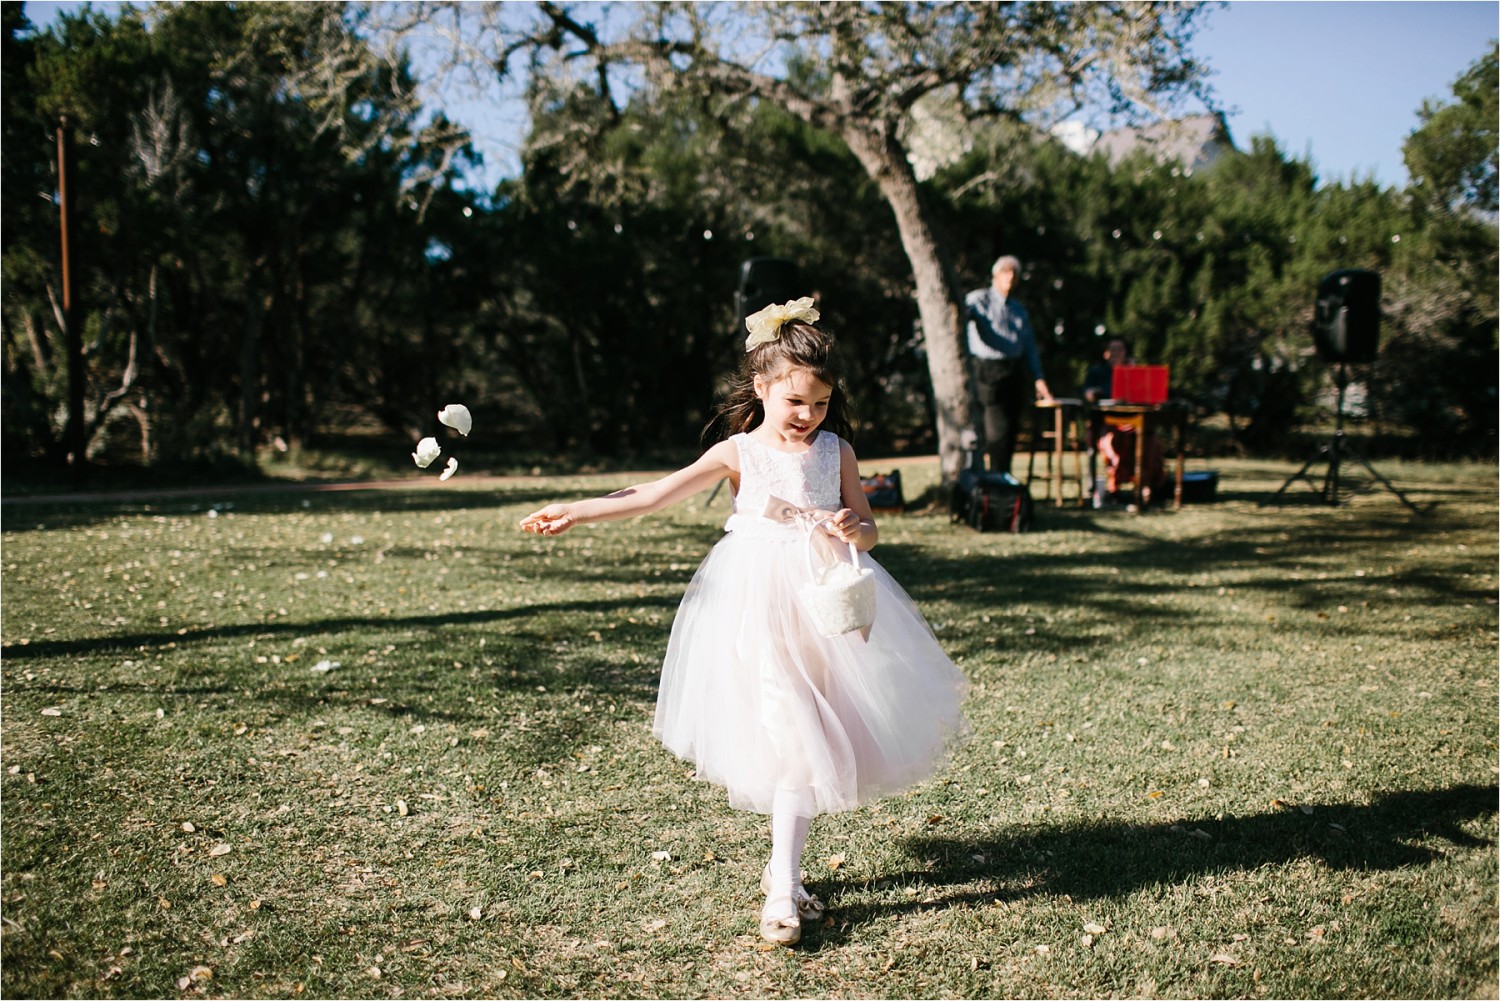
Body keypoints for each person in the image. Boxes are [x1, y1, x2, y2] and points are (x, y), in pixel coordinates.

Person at [519, 299, 969, 947]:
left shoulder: (836, 450)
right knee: (791, 732)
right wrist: (578, 510)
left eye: (819, 402)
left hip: (826, 605)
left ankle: (782, 871)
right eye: (795, 402)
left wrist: (853, 526)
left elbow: (868, 529)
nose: (808, 415)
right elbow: (649, 494)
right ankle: (783, 886)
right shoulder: (738, 451)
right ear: (761, 388)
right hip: (757, 603)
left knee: (812, 731)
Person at [965, 255, 1054, 478]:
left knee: (1012, 427)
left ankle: (1002, 476)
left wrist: (1038, 377)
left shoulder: (1019, 310)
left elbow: (1029, 346)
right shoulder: (978, 300)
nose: (1010, 276)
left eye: (1014, 272)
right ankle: (995, 477)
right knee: (996, 428)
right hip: (988, 370)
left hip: (1014, 370)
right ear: (995, 275)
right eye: (1006, 271)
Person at [1081, 337, 1165, 507]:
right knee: (1112, 441)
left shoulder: (1133, 372)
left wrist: (1132, 370)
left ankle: (1145, 484)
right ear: (1106, 354)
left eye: (1120, 350)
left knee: (1149, 439)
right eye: (1113, 349)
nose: (1117, 353)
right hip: (1107, 422)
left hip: (1133, 421)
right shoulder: (1097, 373)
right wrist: (1093, 394)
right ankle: (1114, 486)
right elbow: (1087, 393)